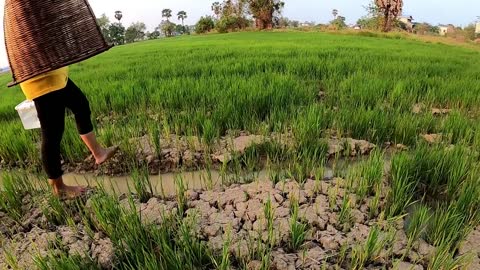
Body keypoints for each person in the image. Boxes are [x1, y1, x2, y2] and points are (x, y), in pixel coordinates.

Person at [20, 66, 117, 198]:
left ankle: (98, 153)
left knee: (81, 106)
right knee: (52, 133)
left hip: (54, 74)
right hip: (41, 79)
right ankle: (58, 187)